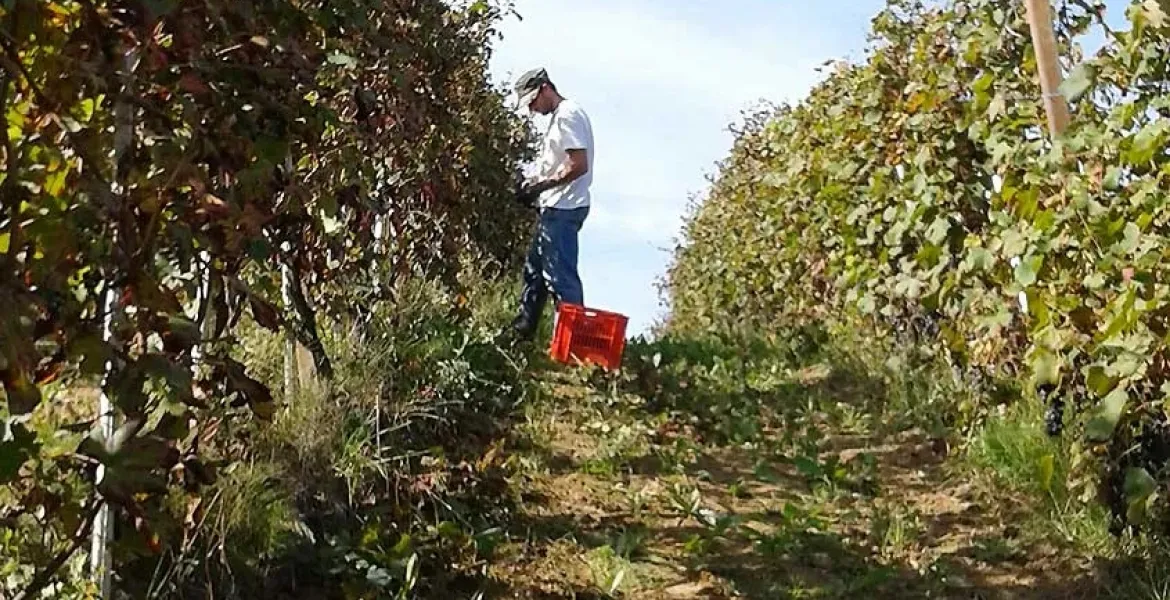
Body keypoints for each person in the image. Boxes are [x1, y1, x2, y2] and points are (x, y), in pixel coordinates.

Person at [506, 67, 595, 342]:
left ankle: (574, 345)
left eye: (533, 101)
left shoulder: (568, 115)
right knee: (534, 272)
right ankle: (522, 332)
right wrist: (533, 184)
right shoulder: (560, 119)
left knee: (560, 278)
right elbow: (559, 165)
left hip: (565, 208)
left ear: (545, 88)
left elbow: (578, 165)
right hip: (555, 206)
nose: (532, 109)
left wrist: (540, 187)